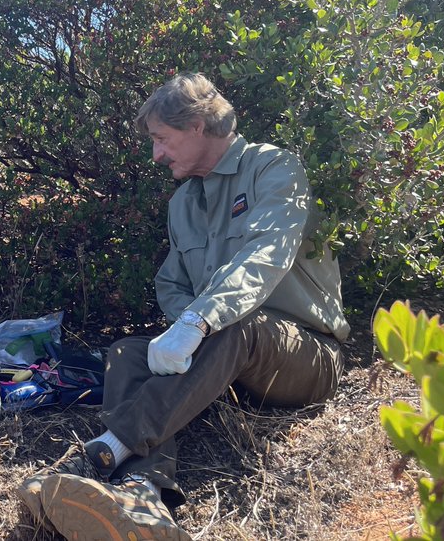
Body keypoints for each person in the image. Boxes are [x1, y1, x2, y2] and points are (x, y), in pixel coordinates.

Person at [18, 73, 350, 539]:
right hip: (225, 364)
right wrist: (184, 325)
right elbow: (170, 281)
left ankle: (101, 453)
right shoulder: (182, 204)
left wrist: (201, 320)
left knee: (237, 324)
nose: (156, 154)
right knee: (127, 352)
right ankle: (142, 494)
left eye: (161, 139)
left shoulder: (273, 168)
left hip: (305, 355)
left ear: (197, 125)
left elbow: (266, 255)